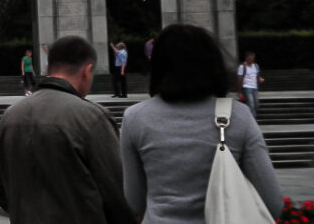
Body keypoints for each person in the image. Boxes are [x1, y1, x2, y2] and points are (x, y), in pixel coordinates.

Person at [119, 24, 282, 222]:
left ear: (159, 65)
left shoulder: (135, 118)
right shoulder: (239, 116)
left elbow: (134, 202)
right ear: (212, 63)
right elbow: (272, 203)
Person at [0, 35, 136, 224]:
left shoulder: (11, 115)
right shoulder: (92, 117)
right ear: (87, 71)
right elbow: (117, 195)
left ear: (46, 68)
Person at [238, 51, 264, 118]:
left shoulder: (255, 65)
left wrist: (259, 78)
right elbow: (239, 79)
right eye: (250, 59)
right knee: (251, 104)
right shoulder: (242, 67)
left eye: (253, 59)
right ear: (246, 58)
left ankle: (249, 117)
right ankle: (253, 120)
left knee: (256, 104)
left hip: (255, 87)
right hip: (247, 87)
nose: (252, 60)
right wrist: (240, 91)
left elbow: (256, 75)